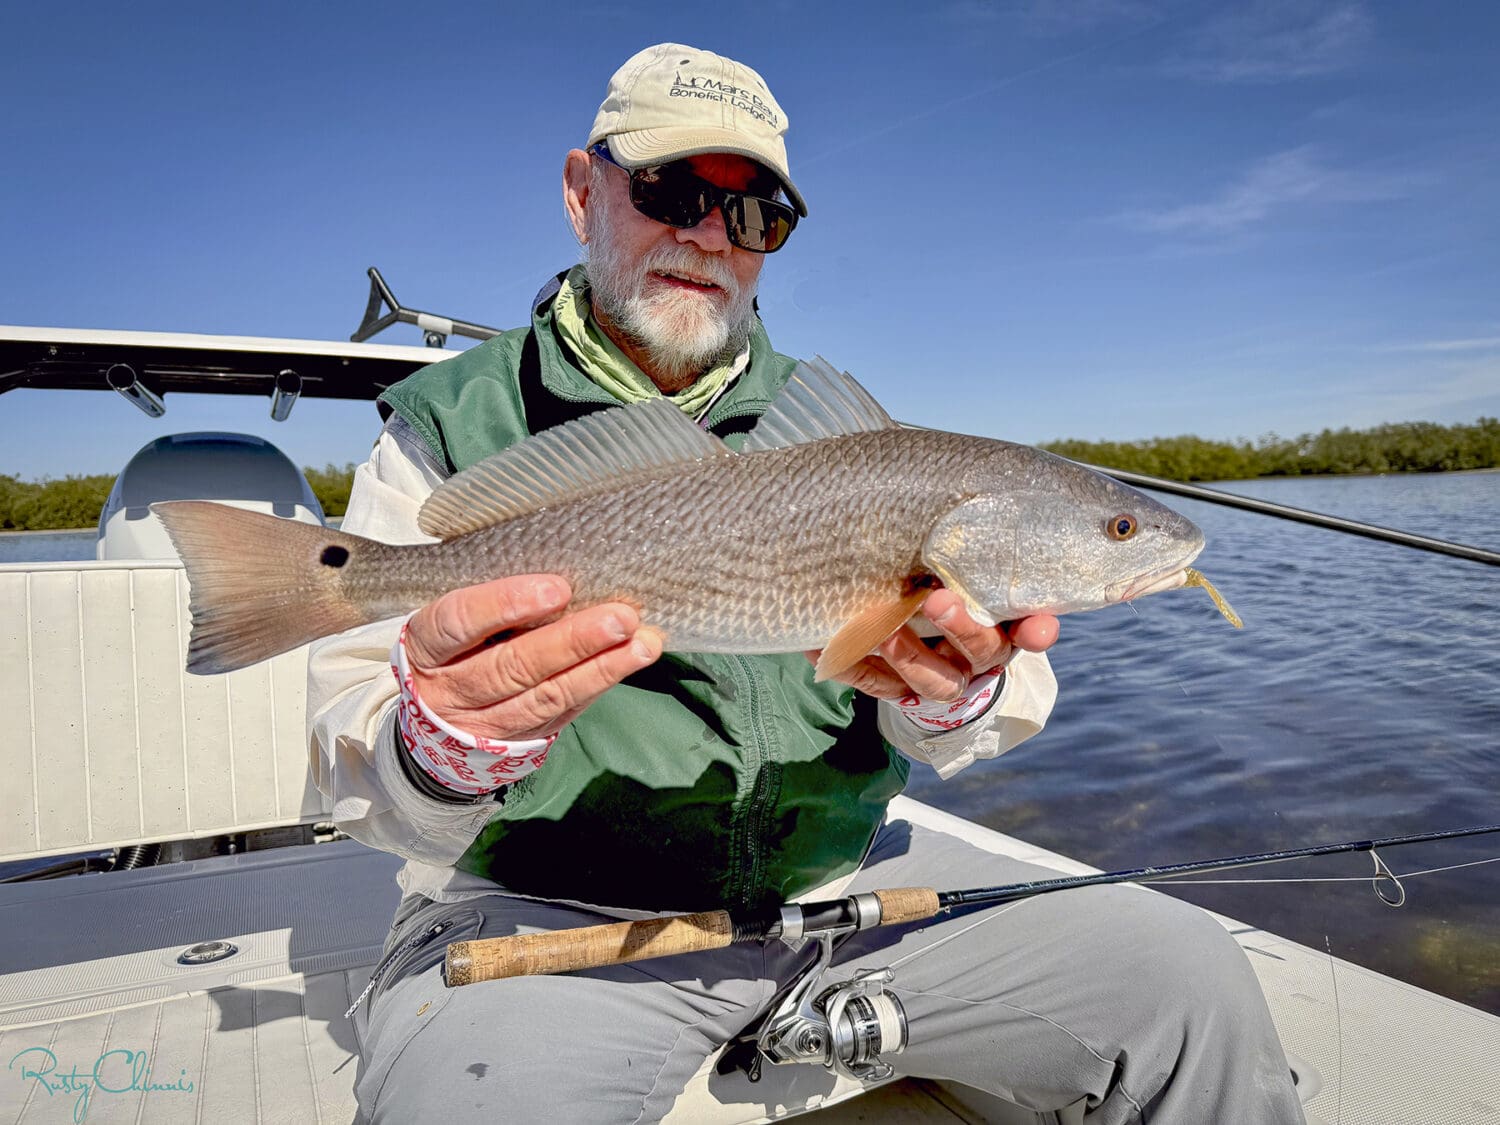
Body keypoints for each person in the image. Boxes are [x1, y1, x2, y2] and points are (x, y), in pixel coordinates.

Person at [308, 42, 1305, 1125]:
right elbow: (345, 749)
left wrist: (960, 695)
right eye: (672, 190)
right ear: (581, 190)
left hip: (849, 892)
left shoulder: (857, 436)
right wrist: (442, 746)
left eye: (754, 215)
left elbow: (984, 718)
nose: (708, 236)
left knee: (1192, 985)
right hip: (548, 919)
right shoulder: (450, 429)